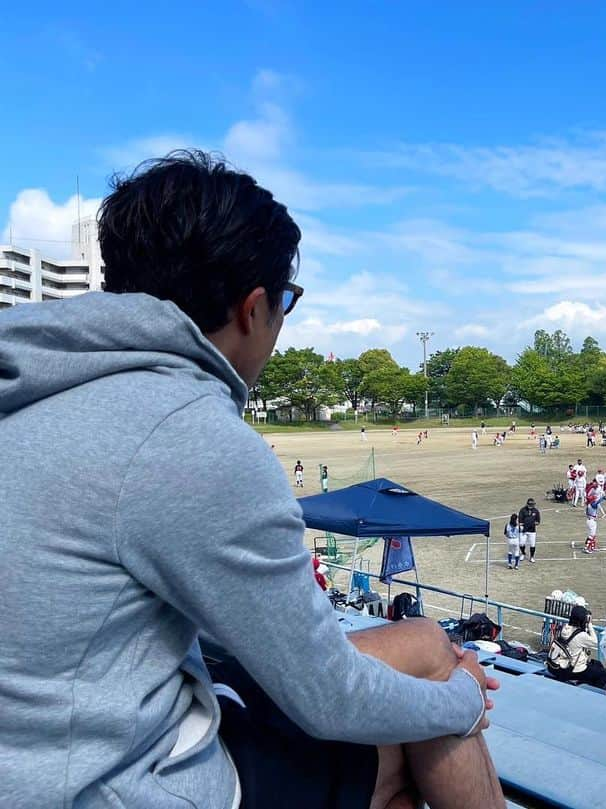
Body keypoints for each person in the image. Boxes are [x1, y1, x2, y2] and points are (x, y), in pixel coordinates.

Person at [0, 151, 502, 809]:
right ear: (253, 308)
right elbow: (329, 696)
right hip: (95, 780)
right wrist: (461, 697)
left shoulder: (33, 386)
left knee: (420, 653)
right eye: (285, 303)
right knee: (411, 726)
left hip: (53, 741)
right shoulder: (189, 434)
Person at [546, 606, 606, 689]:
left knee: (597, 665)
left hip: (559, 666)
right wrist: (589, 624)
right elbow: (595, 642)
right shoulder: (581, 636)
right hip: (573, 670)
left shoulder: (564, 628)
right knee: (604, 673)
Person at [518, 497, 542, 563]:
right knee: (521, 543)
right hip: (524, 530)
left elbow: (538, 522)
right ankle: (523, 553)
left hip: (532, 531)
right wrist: (527, 524)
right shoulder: (522, 510)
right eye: (530, 505)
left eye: (533, 505)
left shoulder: (536, 511)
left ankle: (532, 557)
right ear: (527, 504)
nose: (532, 506)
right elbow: (520, 522)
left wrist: (530, 523)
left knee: (532, 544)